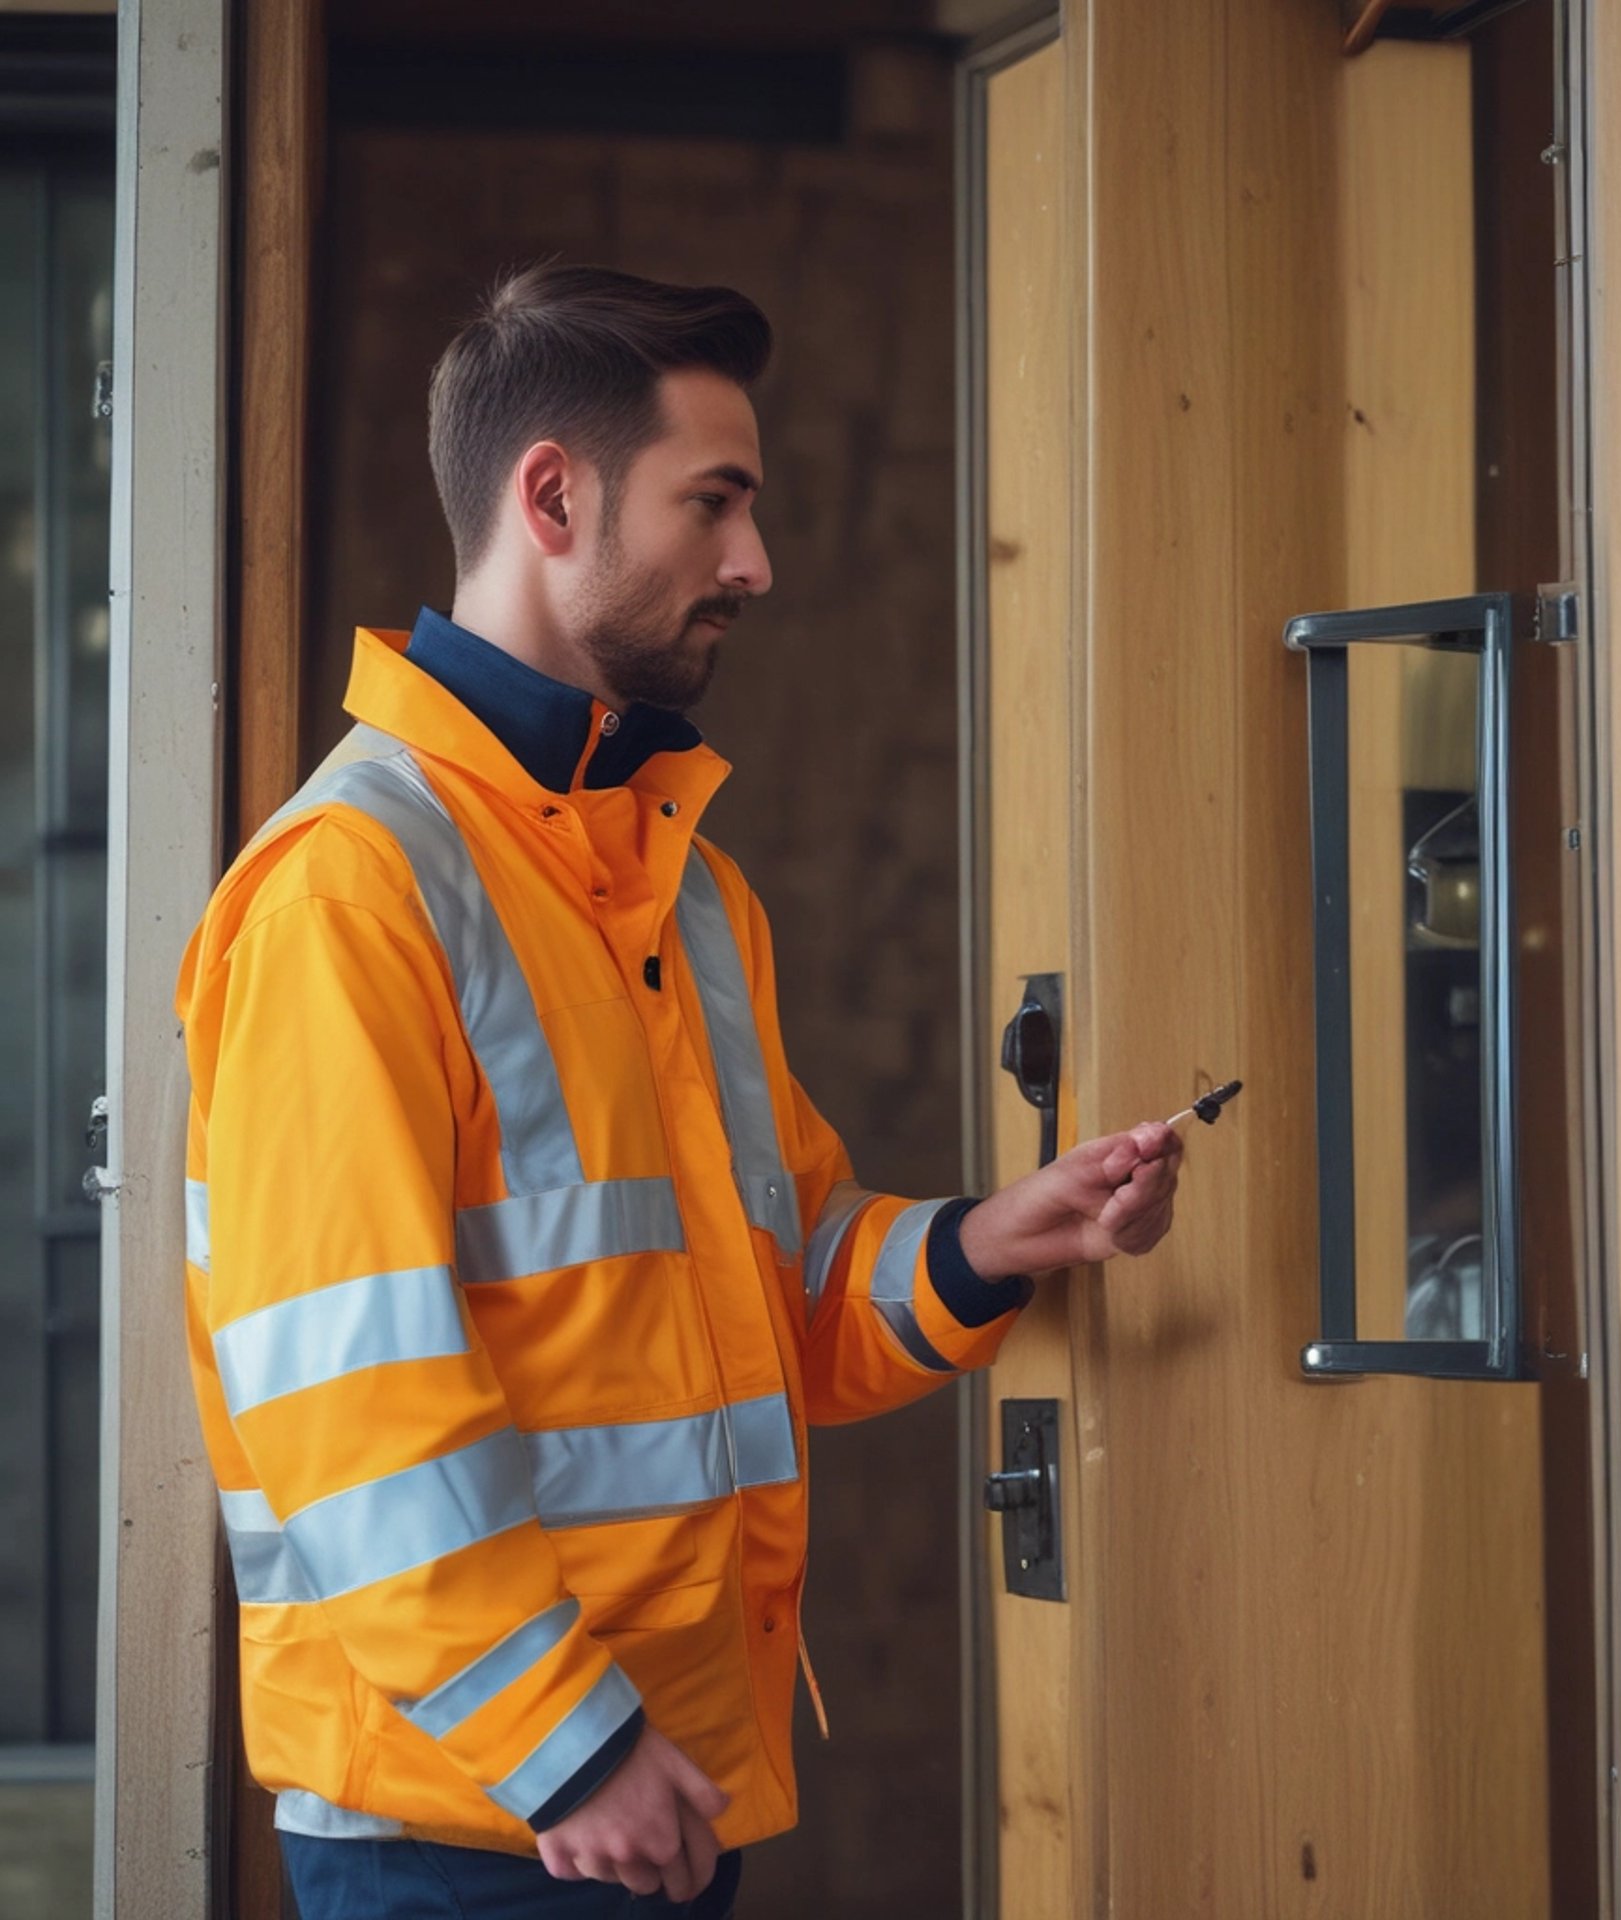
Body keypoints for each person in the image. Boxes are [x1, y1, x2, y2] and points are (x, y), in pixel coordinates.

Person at [177, 263, 1182, 1920]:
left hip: (659, 1788)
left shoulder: (682, 893)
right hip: (480, 1826)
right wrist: (566, 1747)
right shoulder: (348, 895)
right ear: (553, 496)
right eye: (713, 502)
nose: (755, 563)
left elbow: (768, 1292)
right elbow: (345, 1409)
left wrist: (999, 1237)